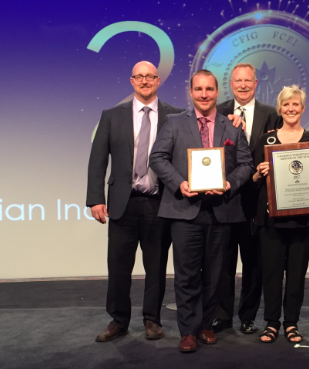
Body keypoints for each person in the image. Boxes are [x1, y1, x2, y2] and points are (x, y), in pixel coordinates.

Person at [149, 70, 253, 353]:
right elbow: (157, 158)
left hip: (221, 211)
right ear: (191, 92)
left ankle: (206, 324)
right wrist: (179, 183)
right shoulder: (173, 123)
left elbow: (246, 164)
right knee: (186, 275)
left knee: (215, 275)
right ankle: (188, 331)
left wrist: (229, 183)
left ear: (217, 92)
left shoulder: (232, 127)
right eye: (199, 89)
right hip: (184, 210)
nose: (204, 94)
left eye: (209, 89)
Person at [86, 61, 184, 342]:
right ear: (131, 81)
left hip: (159, 202)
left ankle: (152, 319)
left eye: (149, 77)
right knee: (118, 266)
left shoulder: (176, 116)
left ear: (158, 80)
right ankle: (118, 320)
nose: (144, 81)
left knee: (155, 266)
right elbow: (98, 161)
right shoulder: (111, 115)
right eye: (139, 77)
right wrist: (95, 198)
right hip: (122, 203)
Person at [252, 85, 309, 343]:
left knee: (296, 274)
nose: (291, 108)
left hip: (304, 219)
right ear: (280, 108)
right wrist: (259, 171)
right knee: (271, 273)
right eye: (286, 104)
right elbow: (251, 178)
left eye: (295, 104)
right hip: (272, 220)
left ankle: (292, 323)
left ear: (303, 108)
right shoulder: (266, 140)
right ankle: (272, 323)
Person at [214, 63, 281, 334]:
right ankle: (222, 315)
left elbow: (281, 150)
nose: (243, 85)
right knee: (224, 261)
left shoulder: (272, 114)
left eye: (248, 81)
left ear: (256, 83)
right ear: (231, 84)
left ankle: (248, 316)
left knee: (254, 263)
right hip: (225, 199)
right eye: (237, 81)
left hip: (258, 201)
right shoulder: (217, 112)